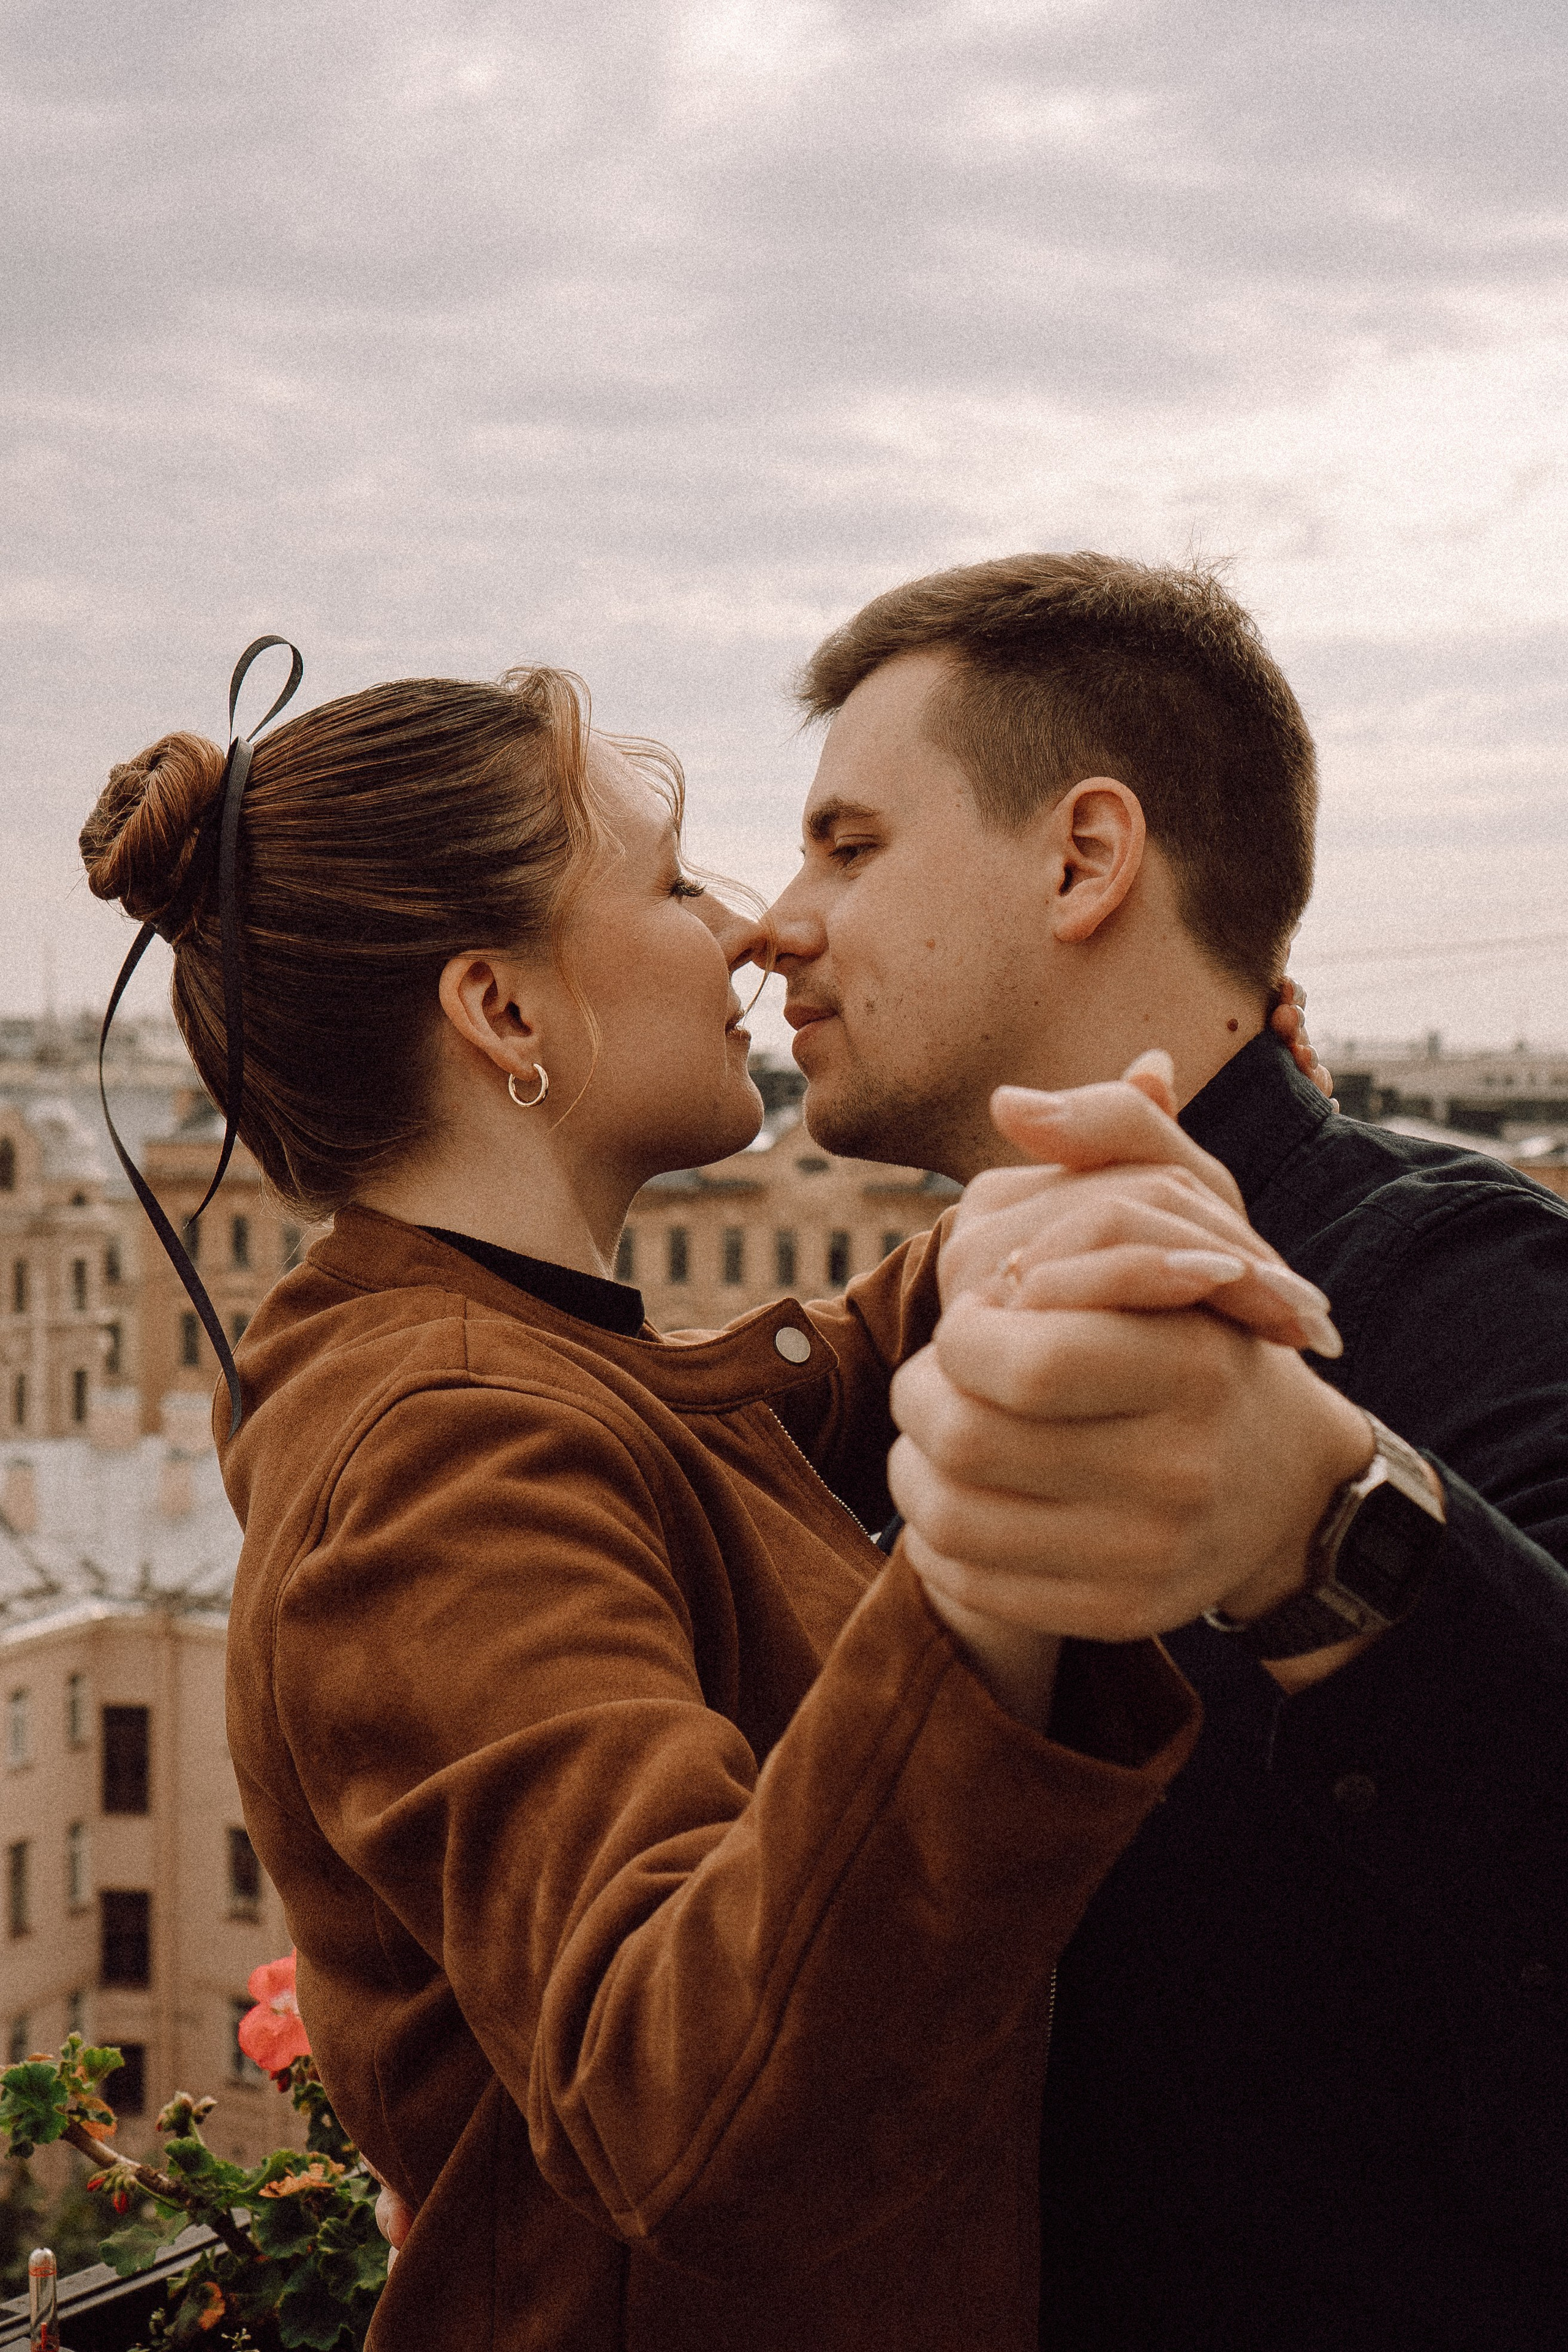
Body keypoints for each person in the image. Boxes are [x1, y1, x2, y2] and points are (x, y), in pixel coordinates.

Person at [78, 655, 1340, 2351]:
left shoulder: (511, 1372)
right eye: (671, 886)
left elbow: (739, 1427)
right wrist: (989, 1548)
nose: (749, 930)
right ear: (502, 1014)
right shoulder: (439, 1450)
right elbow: (692, 2108)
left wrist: (1092, 1178)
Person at [769, 551, 1568, 2351]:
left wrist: (1323, 1521)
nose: (777, 921)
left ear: (1083, 858)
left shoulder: (1438, 1272)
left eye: (850, 844)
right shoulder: (945, 1330)